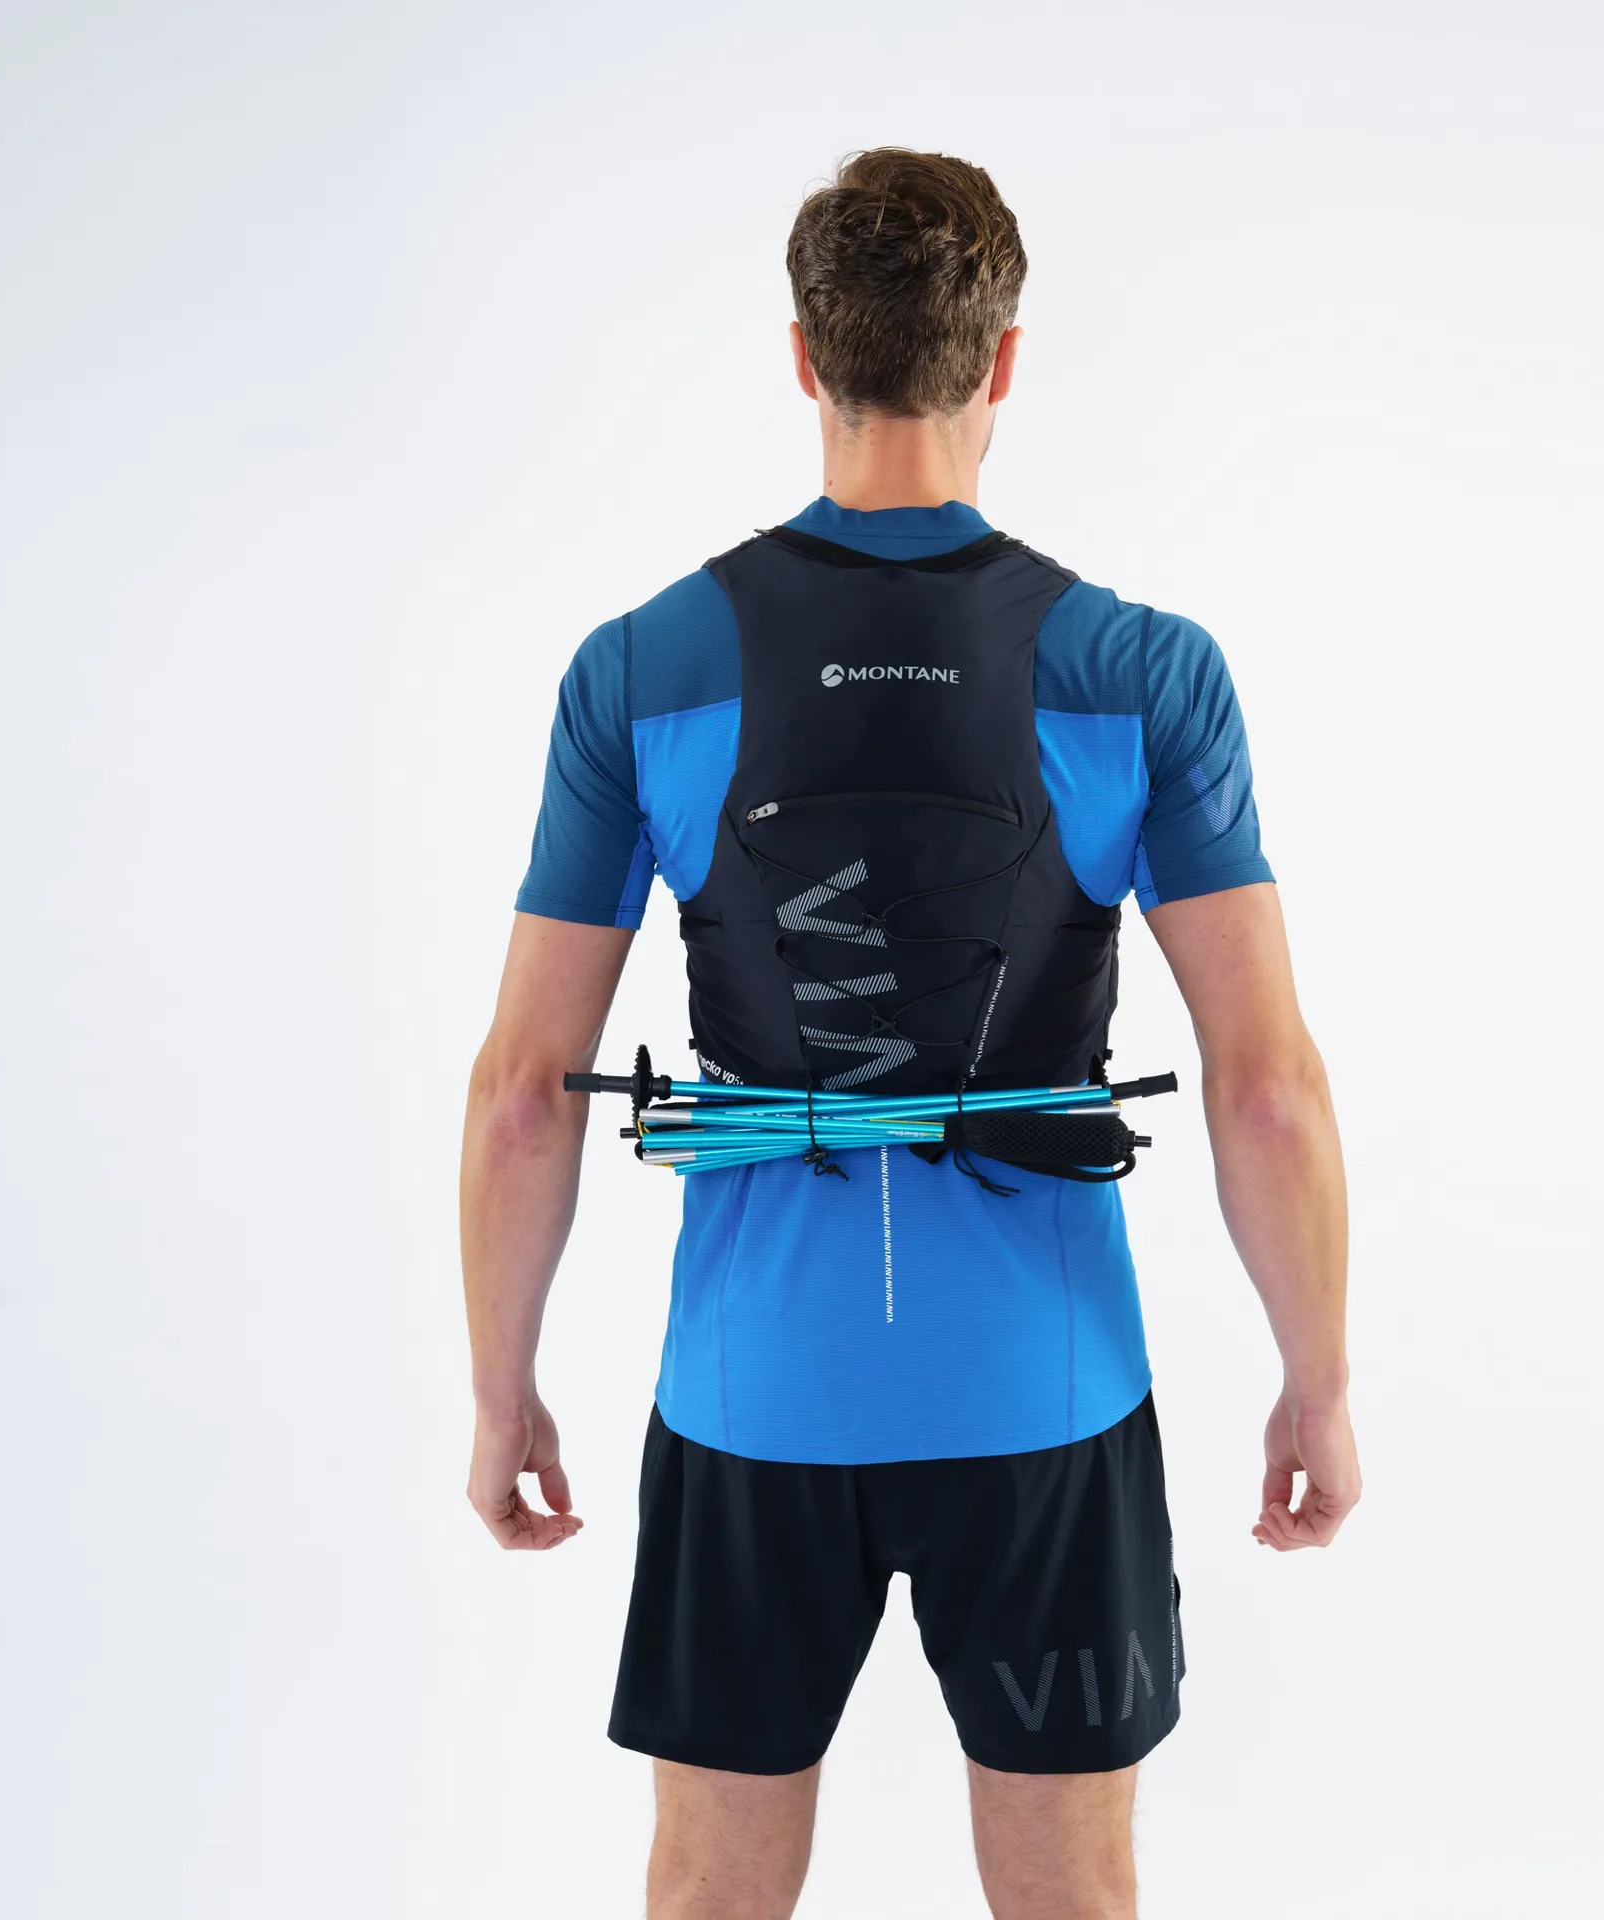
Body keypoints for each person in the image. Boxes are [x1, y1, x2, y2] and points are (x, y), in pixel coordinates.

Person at [459, 147, 1359, 1920]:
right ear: (1003, 359)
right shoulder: (1141, 670)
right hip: (1046, 1389)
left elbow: (518, 1097)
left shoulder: (641, 668)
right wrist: (1316, 1380)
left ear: (805, 356)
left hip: (753, 1393)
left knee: (709, 1893)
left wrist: (503, 1393)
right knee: (1071, 1898)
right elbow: (1266, 1088)